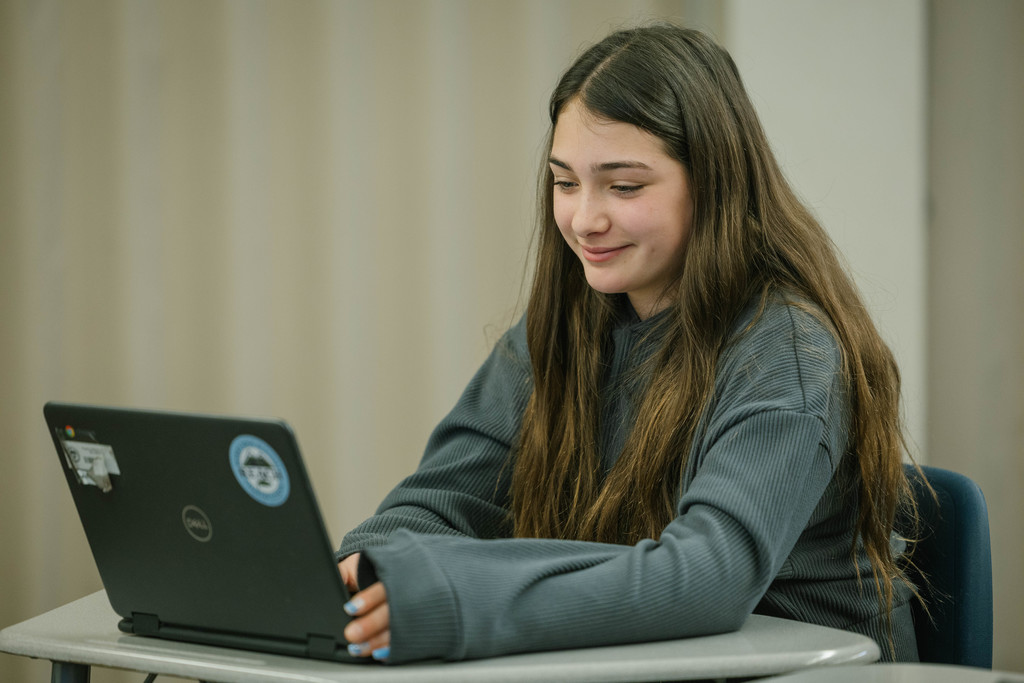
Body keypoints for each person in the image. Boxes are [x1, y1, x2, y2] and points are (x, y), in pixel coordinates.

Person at [335, 23, 921, 664]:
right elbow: (442, 501)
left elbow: (704, 579)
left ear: (714, 184)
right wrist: (361, 567)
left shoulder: (788, 351)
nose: (585, 218)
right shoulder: (562, 328)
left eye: (624, 186)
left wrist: (462, 597)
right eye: (565, 182)